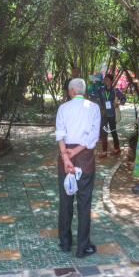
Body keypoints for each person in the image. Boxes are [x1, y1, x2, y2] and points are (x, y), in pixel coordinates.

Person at [55, 78, 101, 258]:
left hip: (64, 157)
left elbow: (60, 134)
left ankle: (65, 243)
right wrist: (76, 151)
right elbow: (92, 137)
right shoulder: (94, 108)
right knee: (84, 203)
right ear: (83, 92)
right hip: (86, 159)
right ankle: (83, 247)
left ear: (71, 91)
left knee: (66, 201)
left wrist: (67, 156)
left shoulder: (63, 108)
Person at [92, 73, 123, 157]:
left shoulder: (115, 90)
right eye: (105, 80)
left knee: (113, 132)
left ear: (111, 81)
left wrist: (118, 104)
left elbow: (124, 98)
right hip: (103, 114)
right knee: (104, 132)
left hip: (112, 114)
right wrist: (97, 100)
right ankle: (104, 152)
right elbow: (92, 95)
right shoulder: (101, 89)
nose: (105, 81)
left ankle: (117, 149)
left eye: (108, 80)